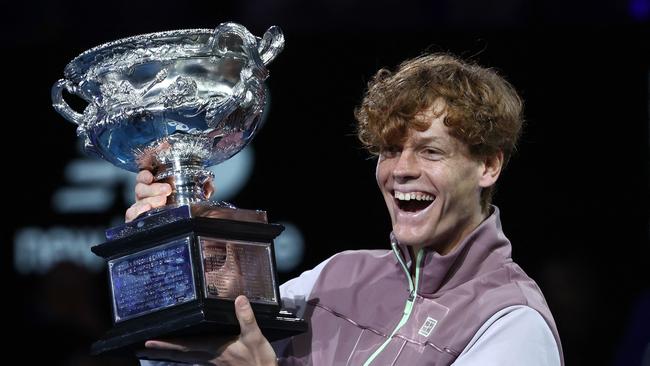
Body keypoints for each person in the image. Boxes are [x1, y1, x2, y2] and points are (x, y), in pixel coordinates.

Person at [131, 53, 564, 365]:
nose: (402, 171)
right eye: (391, 150)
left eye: (431, 151)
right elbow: (176, 354)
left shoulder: (511, 322)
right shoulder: (334, 278)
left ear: (488, 166)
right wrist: (173, 242)